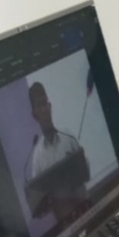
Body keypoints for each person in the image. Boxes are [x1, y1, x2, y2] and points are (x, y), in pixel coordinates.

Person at [25, 81, 89, 222]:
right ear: (34, 114)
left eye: (45, 103)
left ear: (50, 106)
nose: (44, 109)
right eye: (39, 105)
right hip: (65, 221)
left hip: (85, 209)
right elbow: (40, 200)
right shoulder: (37, 157)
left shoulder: (68, 137)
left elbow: (86, 171)